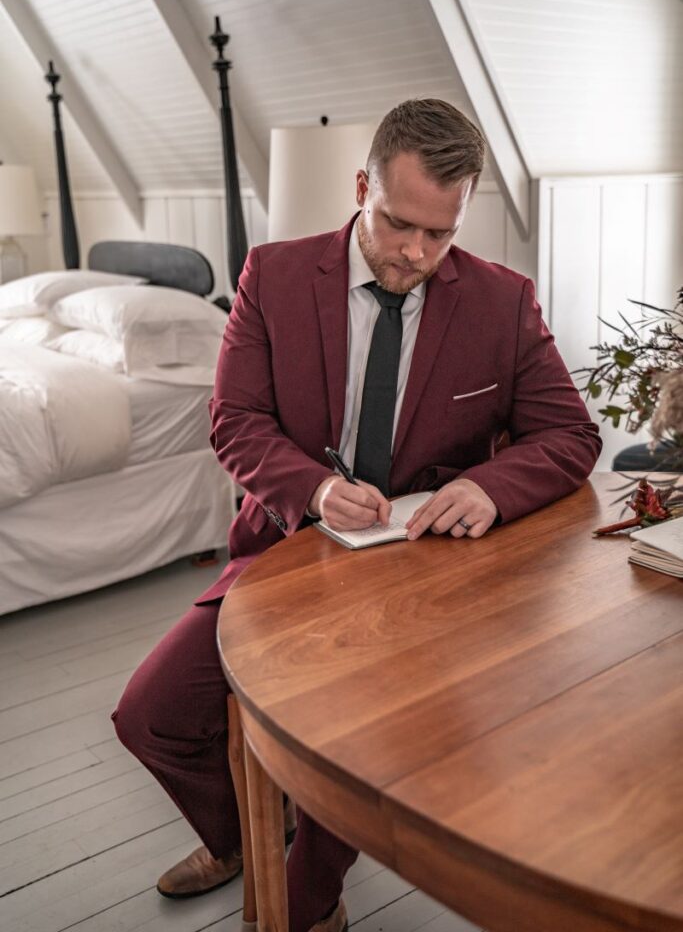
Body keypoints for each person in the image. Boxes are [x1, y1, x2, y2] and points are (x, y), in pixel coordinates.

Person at [112, 99, 601, 932]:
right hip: (285, 555)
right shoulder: (270, 275)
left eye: (440, 234)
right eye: (398, 222)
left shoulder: (501, 300)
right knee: (150, 716)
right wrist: (308, 487)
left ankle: (308, 898)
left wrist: (491, 487)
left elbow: (568, 433)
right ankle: (248, 840)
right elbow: (235, 422)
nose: (416, 252)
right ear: (360, 185)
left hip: (429, 577)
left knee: (351, 741)